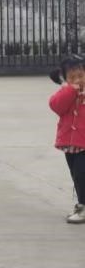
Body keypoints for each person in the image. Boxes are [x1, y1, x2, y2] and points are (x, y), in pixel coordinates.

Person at [48, 54, 85, 224]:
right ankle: (81, 204)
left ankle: (83, 206)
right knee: (76, 175)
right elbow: (56, 106)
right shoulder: (66, 93)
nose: (77, 80)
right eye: (72, 77)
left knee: (81, 174)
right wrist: (70, 90)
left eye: (81, 75)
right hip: (70, 145)